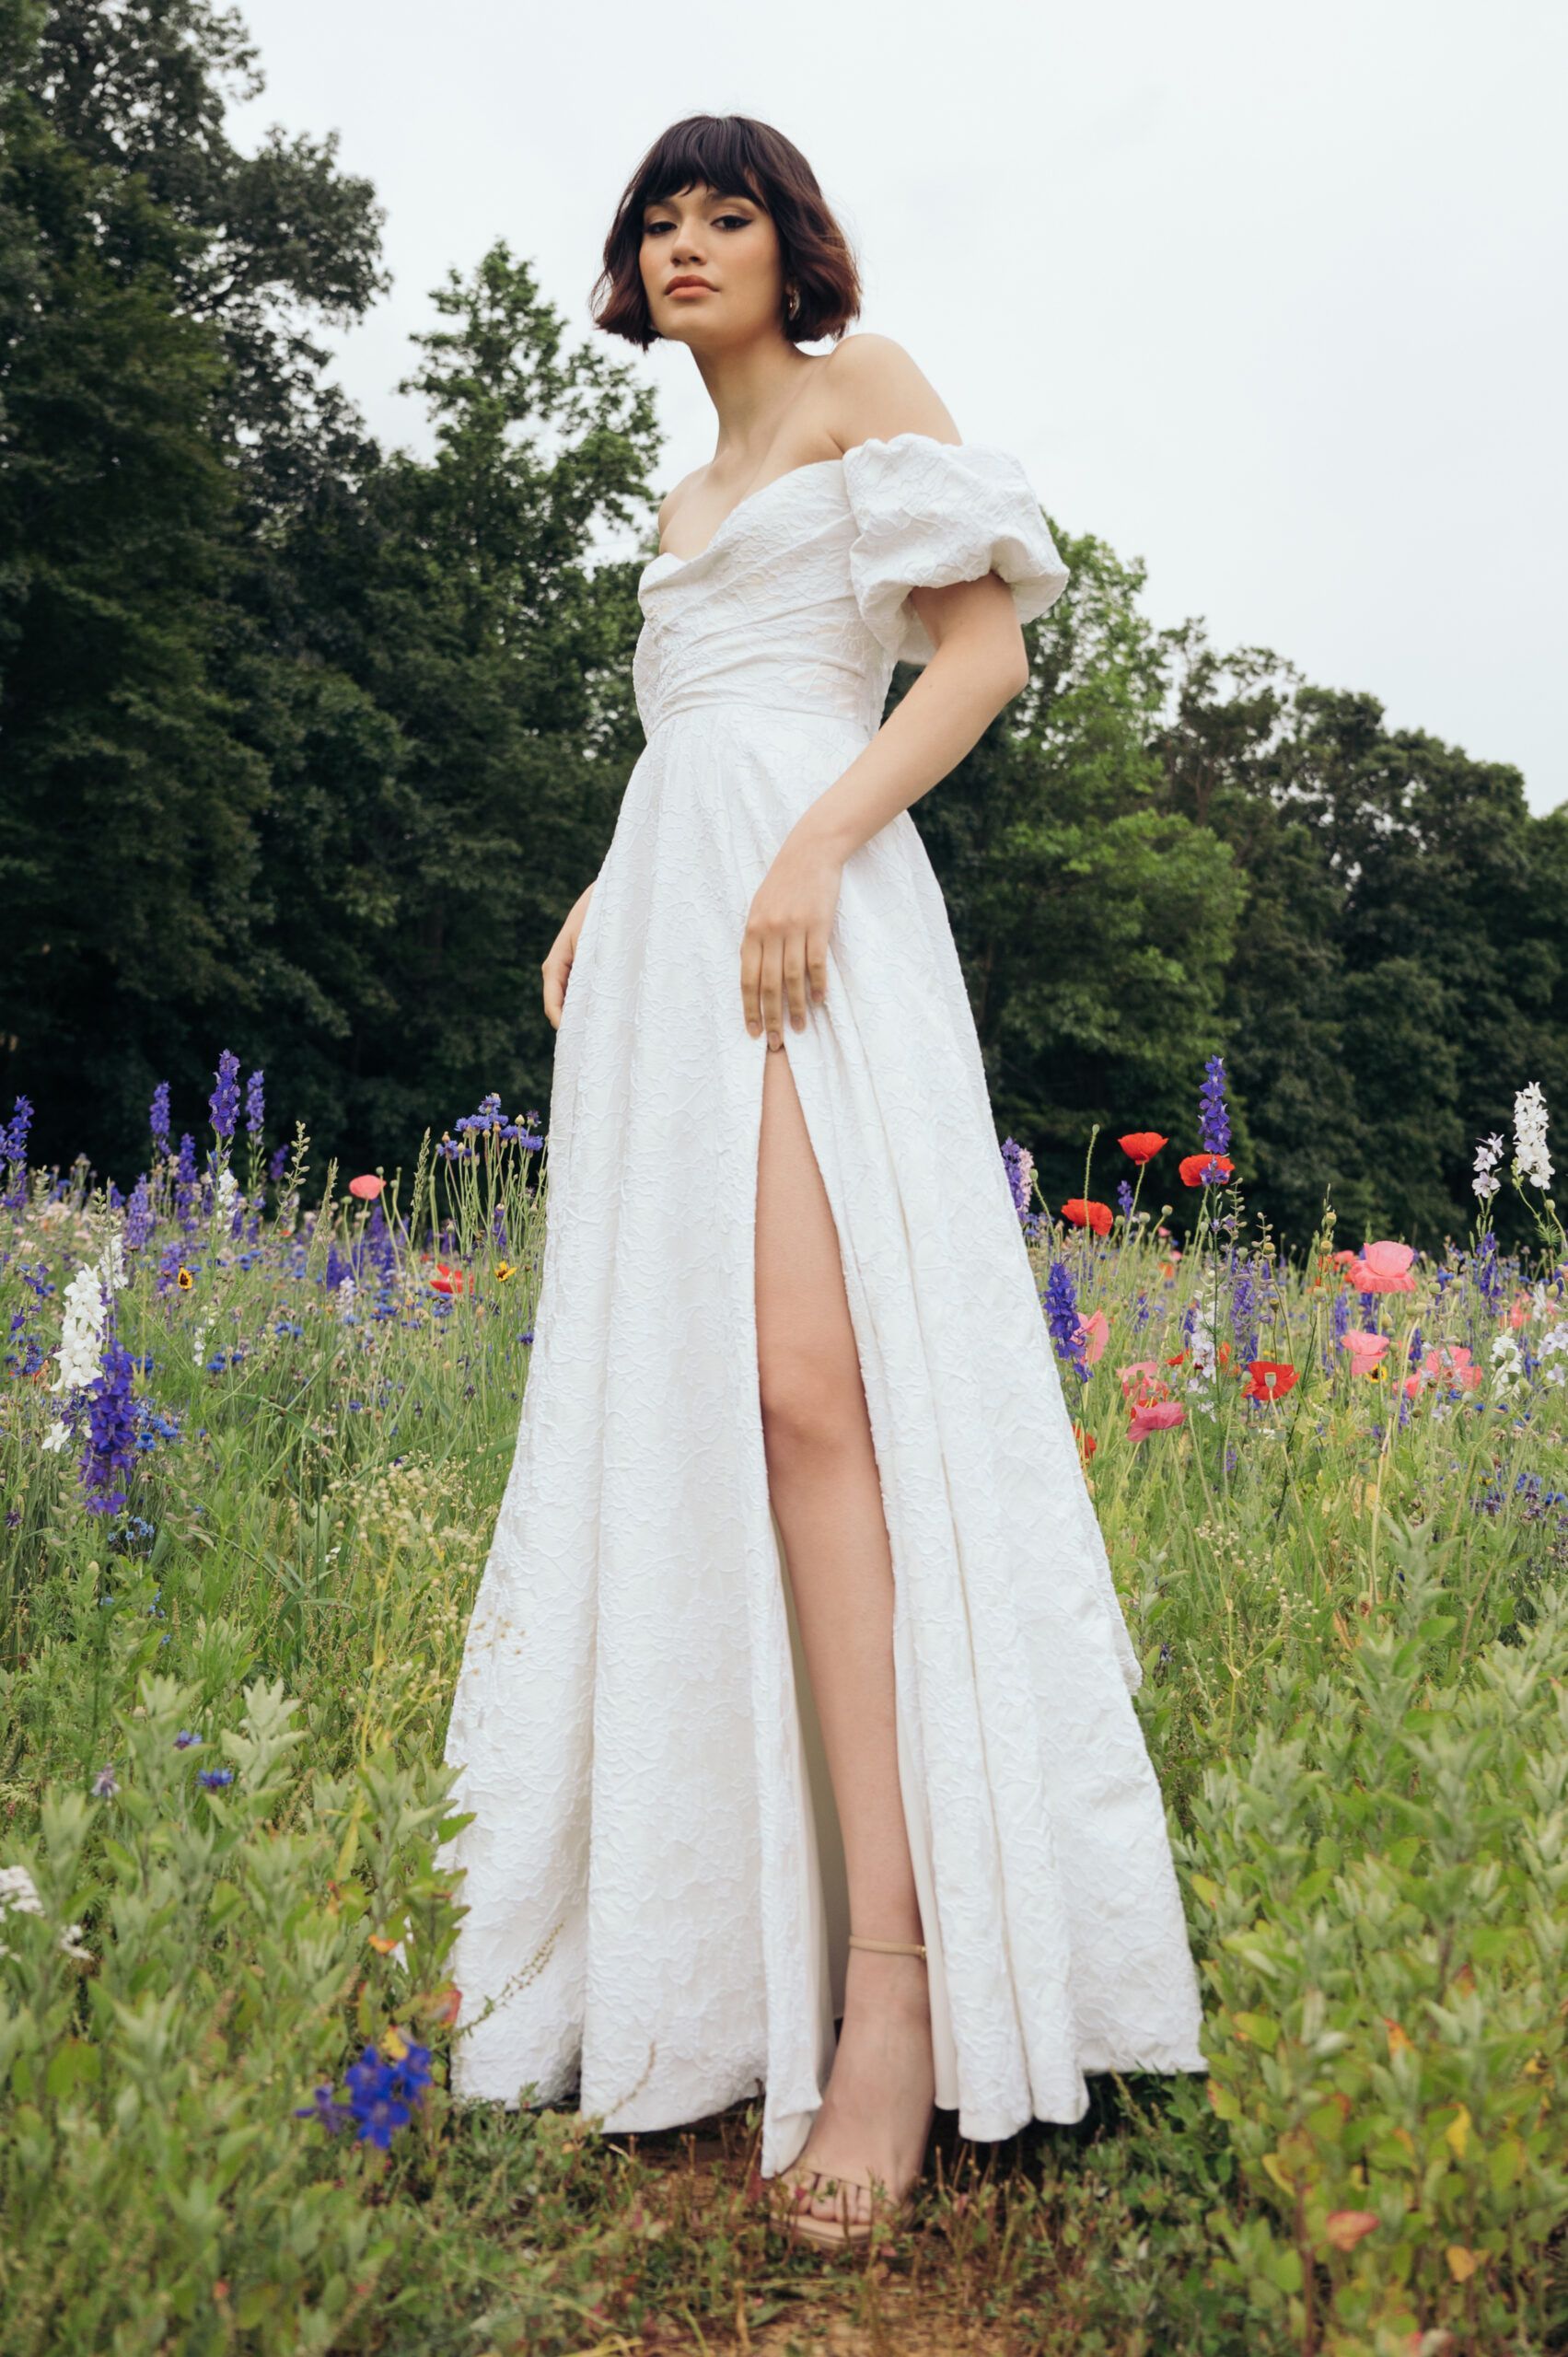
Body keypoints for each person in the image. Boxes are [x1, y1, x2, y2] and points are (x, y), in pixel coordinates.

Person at [440, 110, 1206, 2251]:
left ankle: (900, 1989)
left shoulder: (871, 397)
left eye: (729, 213)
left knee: (816, 1392)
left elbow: (975, 660)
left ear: (796, 247)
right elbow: (702, 714)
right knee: (705, 1419)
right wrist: (612, 880)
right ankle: (707, 1946)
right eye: (657, 221)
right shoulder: (678, 494)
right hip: (682, 936)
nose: (689, 244)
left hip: (812, 922)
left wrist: (805, 855)